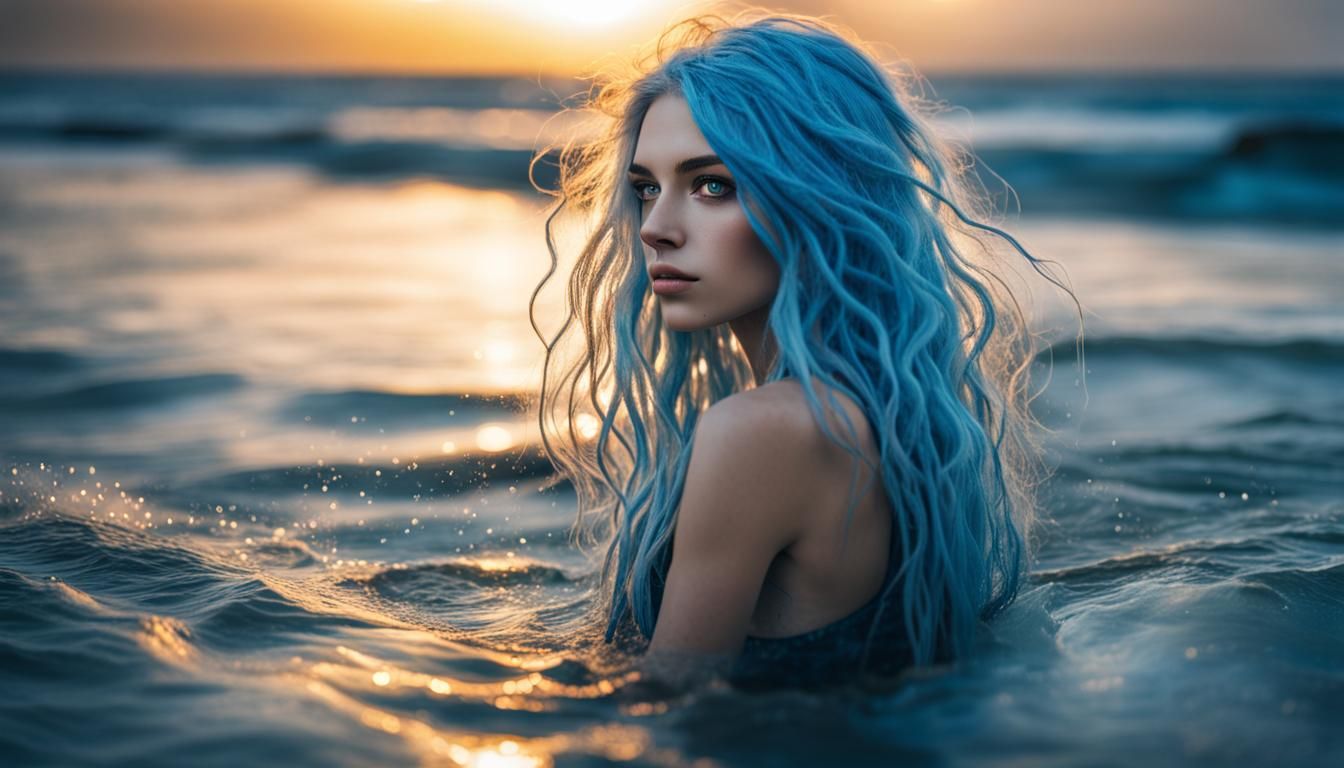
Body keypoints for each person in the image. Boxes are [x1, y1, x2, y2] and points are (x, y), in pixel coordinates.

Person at [528, 10, 1081, 693]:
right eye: (647, 188)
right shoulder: (887, 420)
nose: (658, 228)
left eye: (712, 186)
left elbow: (663, 710)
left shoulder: (765, 431)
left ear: (816, 198)